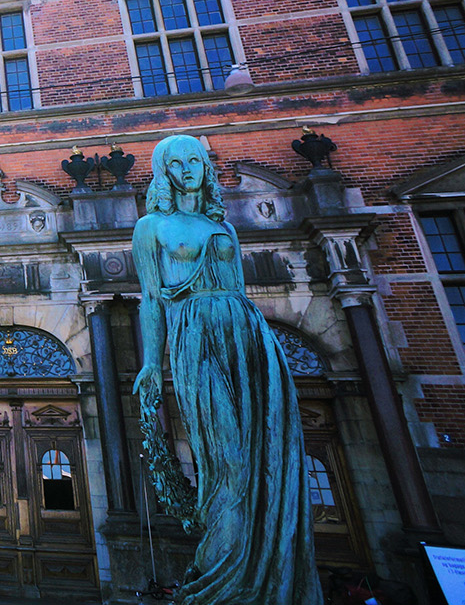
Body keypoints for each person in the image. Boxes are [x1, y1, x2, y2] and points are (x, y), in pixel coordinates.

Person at [132, 134, 322, 605]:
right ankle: (226, 572)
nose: (188, 169)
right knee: (226, 457)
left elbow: (238, 290)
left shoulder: (225, 230)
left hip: (245, 335)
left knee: (266, 447)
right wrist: (151, 362)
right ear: (164, 172)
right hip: (193, 336)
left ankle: (266, 568)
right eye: (175, 163)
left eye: (195, 159)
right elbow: (152, 300)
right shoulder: (151, 227)